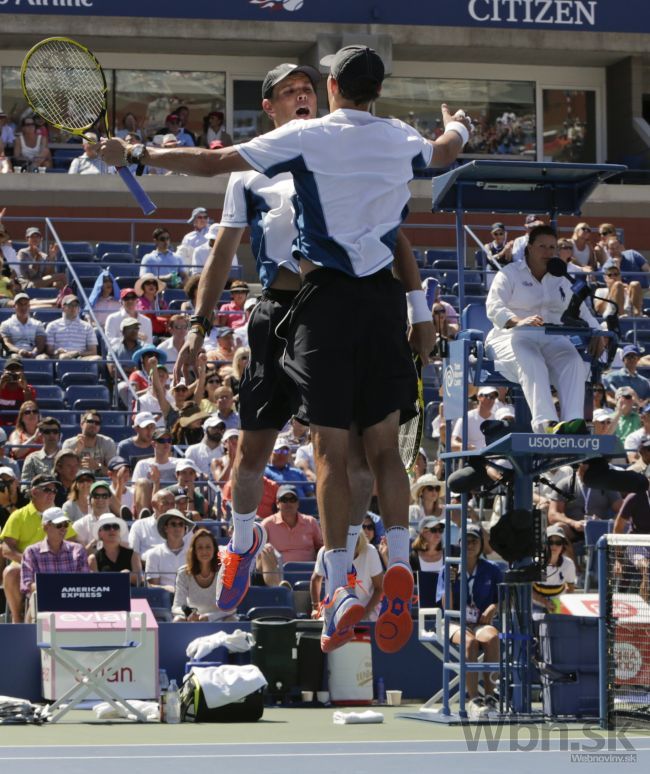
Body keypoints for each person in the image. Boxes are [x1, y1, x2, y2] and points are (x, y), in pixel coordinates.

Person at [100, 46, 465, 655]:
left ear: (326, 88)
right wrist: (196, 323)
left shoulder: (324, 141)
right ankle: (244, 543)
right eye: (288, 89)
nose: (300, 94)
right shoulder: (265, 166)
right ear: (268, 106)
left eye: (308, 85)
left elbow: (397, 237)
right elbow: (220, 248)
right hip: (282, 312)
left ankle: (343, 579)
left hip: (330, 308)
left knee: (347, 454)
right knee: (260, 450)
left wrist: (137, 153)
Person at [485, 224, 603, 434]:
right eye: (542, 246)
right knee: (532, 359)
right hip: (510, 335)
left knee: (572, 360)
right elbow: (494, 307)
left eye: (552, 247)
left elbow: (582, 311)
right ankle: (545, 425)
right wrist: (517, 321)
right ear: (529, 247)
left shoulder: (561, 277)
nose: (548, 252)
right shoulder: (509, 273)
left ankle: (573, 422)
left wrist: (596, 332)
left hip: (550, 336)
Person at [437, 523, 503, 719]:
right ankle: (474, 699)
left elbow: (502, 598)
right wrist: (449, 583)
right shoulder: (448, 568)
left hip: (480, 622)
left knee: (492, 638)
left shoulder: (492, 569)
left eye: (474, 540)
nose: (470, 544)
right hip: (454, 621)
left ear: (481, 544)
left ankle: (490, 697)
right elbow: (445, 606)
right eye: (466, 540)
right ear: (459, 544)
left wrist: (493, 607)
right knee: (470, 643)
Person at [0, 475, 74, 623]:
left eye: (54, 491)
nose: (52, 494)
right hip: (25, 565)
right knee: (10, 572)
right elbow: (6, 549)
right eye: (47, 489)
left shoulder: (61, 515)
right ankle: (17, 620)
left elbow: (72, 543)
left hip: (57, 564)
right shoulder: (18, 516)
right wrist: (31, 562)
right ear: (34, 492)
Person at [21, 507, 88, 622]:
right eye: (59, 525)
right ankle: (31, 638)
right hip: (44, 603)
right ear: (45, 527)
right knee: (35, 599)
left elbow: (85, 581)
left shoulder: (78, 550)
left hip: (73, 603)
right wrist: (57, 591)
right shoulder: (31, 552)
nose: (63, 529)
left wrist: (60, 590)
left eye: (66, 524)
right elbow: (28, 585)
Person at [312, 531, 383, 621]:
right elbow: (316, 580)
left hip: (366, 611)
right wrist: (315, 607)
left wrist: (365, 612)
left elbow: (379, 588)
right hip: (333, 612)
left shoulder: (370, 551)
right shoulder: (324, 552)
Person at [547, 462, 622, 542]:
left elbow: (622, 511)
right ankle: (568, 554)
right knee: (559, 527)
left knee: (621, 527)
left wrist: (604, 523)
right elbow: (553, 515)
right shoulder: (565, 484)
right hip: (573, 530)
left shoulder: (605, 484)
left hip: (600, 530)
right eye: (585, 470)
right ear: (579, 467)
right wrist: (574, 523)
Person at [172, 528, 235, 621]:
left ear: (214, 549)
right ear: (194, 551)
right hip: (193, 621)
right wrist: (189, 614)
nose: (204, 551)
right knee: (177, 620)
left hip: (218, 620)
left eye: (208, 547)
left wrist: (209, 617)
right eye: (200, 547)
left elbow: (231, 608)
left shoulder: (225, 571)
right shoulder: (183, 573)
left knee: (232, 620)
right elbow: (176, 607)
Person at [261, 484, 323, 563]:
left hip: (309, 572)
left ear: (298, 503)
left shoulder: (311, 522)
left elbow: (321, 548)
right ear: (277, 503)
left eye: (292, 499)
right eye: (284, 499)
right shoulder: (267, 524)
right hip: (278, 573)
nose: (288, 503)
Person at [143, 508, 194, 592]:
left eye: (181, 524)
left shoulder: (194, 553)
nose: (177, 527)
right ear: (166, 528)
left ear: (185, 529)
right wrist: (167, 589)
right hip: (163, 601)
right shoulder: (154, 554)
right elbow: (152, 587)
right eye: (173, 524)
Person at [532, 524, 577, 614]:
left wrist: (561, 603)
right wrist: (545, 602)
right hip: (535, 604)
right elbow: (529, 590)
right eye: (550, 542)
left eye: (558, 542)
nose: (554, 546)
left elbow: (571, 588)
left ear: (563, 545)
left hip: (557, 605)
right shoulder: (534, 563)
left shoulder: (569, 564)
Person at [72, 480, 128, 550]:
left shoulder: (119, 524)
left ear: (110, 499)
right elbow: (80, 556)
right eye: (96, 496)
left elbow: (127, 550)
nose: (100, 499)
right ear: (89, 499)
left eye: (104, 496)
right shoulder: (79, 524)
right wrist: (96, 541)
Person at [88, 513, 142, 583]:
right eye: (106, 527)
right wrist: (118, 578)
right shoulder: (93, 559)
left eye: (115, 526)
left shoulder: (133, 555)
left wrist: (130, 576)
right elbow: (94, 583)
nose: (112, 530)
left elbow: (139, 581)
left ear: (119, 531)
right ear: (100, 533)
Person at [44, 295, 100, 360]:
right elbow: (49, 350)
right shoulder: (52, 326)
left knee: (97, 359)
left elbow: (93, 351)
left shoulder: (87, 327)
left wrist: (77, 353)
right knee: (64, 357)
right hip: (60, 357)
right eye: (70, 305)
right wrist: (57, 352)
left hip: (81, 357)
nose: (74, 308)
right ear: (63, 308)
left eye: (76, 305)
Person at [61, 411, 117, 476]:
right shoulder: (69, 444)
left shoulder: (108, 443)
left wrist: (98, 465)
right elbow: (64, 472)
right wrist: (76, 453)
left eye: (97, 423)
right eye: (90, 421)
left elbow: (114, 473)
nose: (94, 425)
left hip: (100, 483)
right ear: (82, 424)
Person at [409, 516, 446, 609]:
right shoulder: (413, 558)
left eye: (440, 530)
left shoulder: (449, 555)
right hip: (420, 613)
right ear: (422, 532)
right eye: (433, 530)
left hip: (444, 612)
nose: (438, 533)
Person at [128, 488, 176, 556]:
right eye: (165, 503)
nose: (169, 507)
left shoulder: (182, 526)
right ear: (154, 504)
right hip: (145, 565)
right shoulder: (139, 526)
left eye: (172, 504)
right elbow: (132, 554)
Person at [450, 386, 497, 451]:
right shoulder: (467, 417)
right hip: (473, 459)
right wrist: (463, 446)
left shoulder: (497, 418)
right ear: (479, 397)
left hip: (495, 458)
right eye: (488, 396)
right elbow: (453, 444)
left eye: (493, 397)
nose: (491, 400)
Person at [0, 293, 46, 358]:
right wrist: (19, 351)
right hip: (14, 354)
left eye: (25, 304)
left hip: (34, 354)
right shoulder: (6, 324)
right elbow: (7, 343)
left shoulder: (38, 324)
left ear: (29, 306)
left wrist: (33, 353)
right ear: (14, 306)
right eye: (20, 304)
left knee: (43, 358)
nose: (23, 307)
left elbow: (40, 343)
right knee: (15, 357)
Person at [0, 354, 37, 425]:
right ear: (4, 372)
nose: (13, 372)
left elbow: (31, 410)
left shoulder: (29, 389)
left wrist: (25, 389)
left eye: (16, 369)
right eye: (10, 369)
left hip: (20, 426)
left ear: (22, 372)